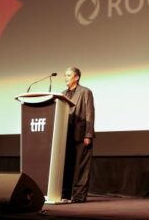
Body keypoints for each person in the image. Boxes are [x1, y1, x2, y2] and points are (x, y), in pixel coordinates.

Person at [61, 66, 95, 202]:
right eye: (65, 75)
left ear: (76, 77)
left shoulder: (85, 92)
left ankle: (79, 196)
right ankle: (64, 195)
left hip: (81, 134)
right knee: (66, 166)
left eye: (68, 75)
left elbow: (90, 113)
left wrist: (88, 134)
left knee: (81, 167)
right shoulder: (62, 94)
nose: (65, 78)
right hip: (65, 135)